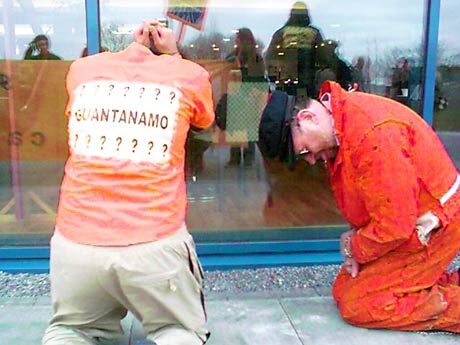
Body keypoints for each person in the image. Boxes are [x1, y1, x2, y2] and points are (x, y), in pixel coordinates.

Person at [42, 20, 215, 345]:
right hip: (154, 242)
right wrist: (174, 55)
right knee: (179, 331)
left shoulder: (82, 71)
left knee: (71, 331)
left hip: (76, 242)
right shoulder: (188, 75)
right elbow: (204, 120)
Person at [288, 80, 460, 332]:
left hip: (435, 226)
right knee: (344, 288)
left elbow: (395, 226)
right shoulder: (345, 123)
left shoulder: (372, 135)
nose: (312, 160)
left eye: (305, 151)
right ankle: (440, 285)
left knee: (361, 304)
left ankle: (450, 305)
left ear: (307, 118)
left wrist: (354, 246)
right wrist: (355, 243)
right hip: (415, 222)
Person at [221, 27, 266, 167]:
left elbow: (226, 68)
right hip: (249, 95)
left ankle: (236, 158)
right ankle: (248, 158)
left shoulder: (236, 56)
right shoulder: (255, 57)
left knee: (237, 126)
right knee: (248, 128)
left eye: (238, 38)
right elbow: (259, 77)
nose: (236, 41)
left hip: (239, 93)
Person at [265, 1, 323, 98]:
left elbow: (271, 58)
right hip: (309, 82)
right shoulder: (314, 33)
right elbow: (322, 57)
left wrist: (274, 77)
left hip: (286, 81)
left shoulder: (281, 33)